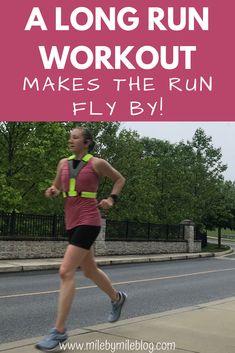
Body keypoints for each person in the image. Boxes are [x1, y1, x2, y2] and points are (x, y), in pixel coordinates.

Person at [36, 127, 126, 351]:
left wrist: (111, 200)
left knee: (66, 271)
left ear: (86, 142)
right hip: (72, 221)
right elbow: (56, 186)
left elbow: (119, 179)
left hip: (89, 220)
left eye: (75, 137)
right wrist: (52, 191)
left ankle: (59, 331)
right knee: (90, 271)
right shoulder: (62, 164)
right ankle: (117, 298)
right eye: (70, 137)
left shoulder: (97, 163)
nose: (71, 140)